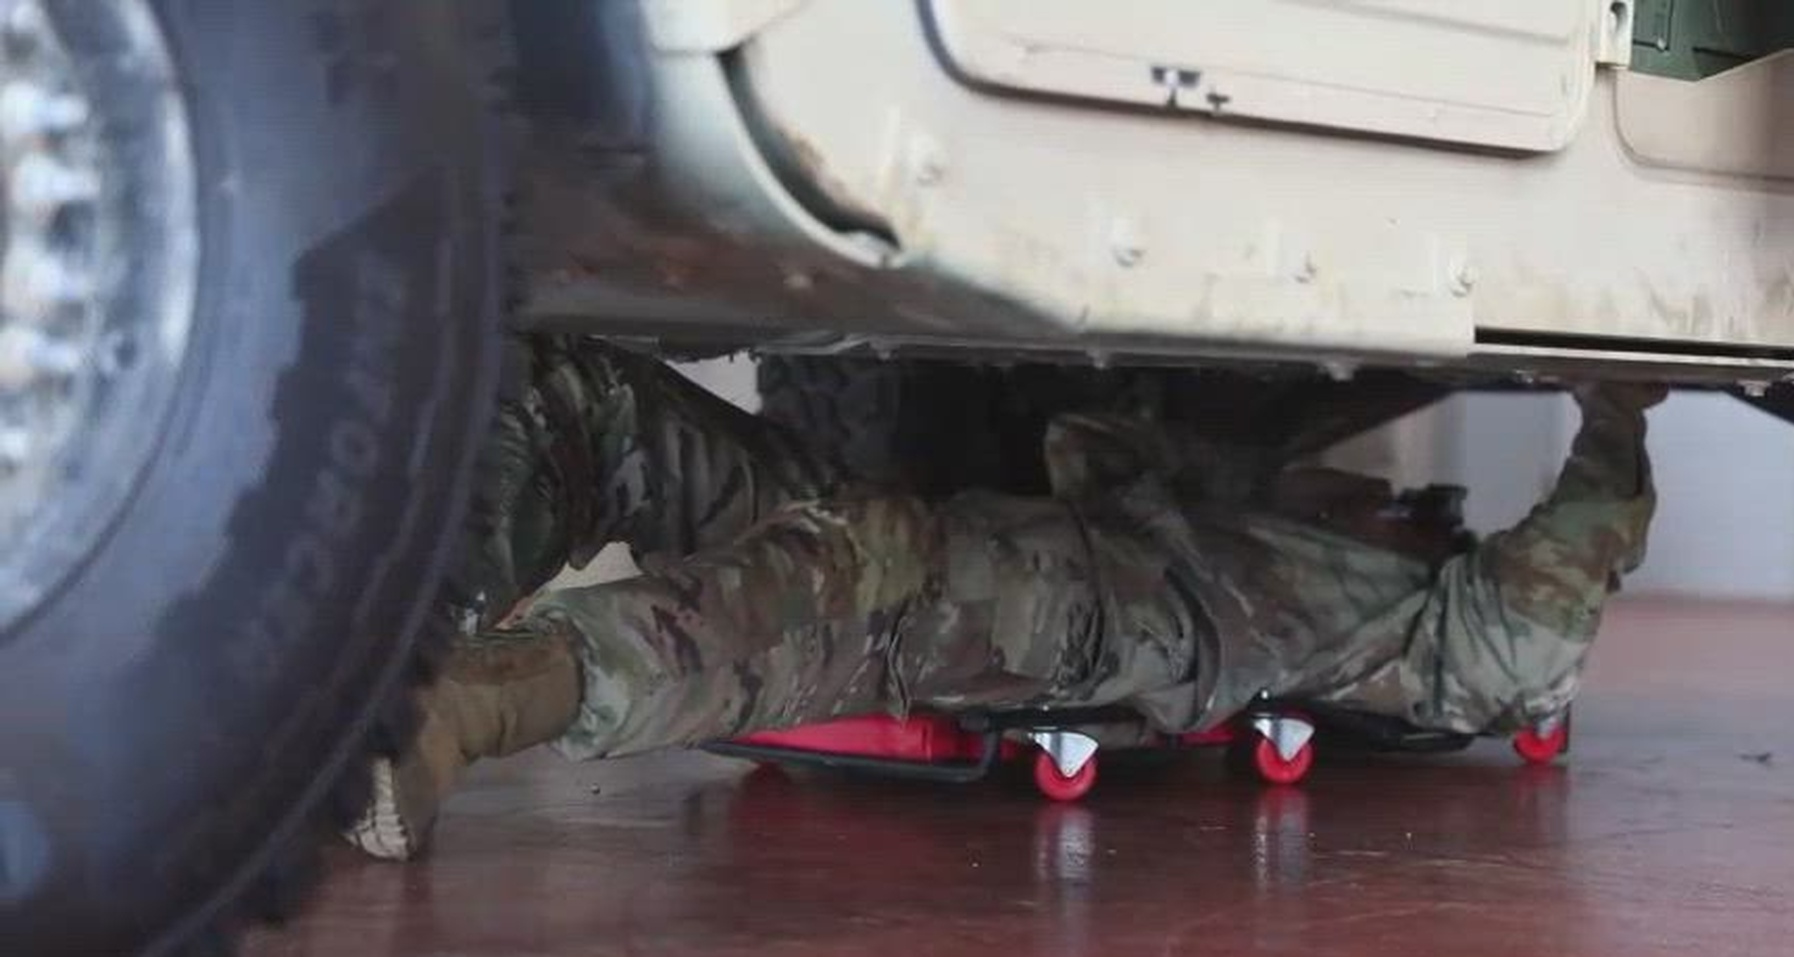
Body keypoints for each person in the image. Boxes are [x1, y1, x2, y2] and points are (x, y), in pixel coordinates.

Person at [343, 336, 1663, 860]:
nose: (1401, 506)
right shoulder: (1277, 494)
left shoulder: (1418, 634)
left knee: (864, 575)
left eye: (1425, 524)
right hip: (1001, 517)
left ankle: (462, 713)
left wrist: (1620, 404)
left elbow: (1532, 621)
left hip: (1095, 608)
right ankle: (366, 661)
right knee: (596, 399)